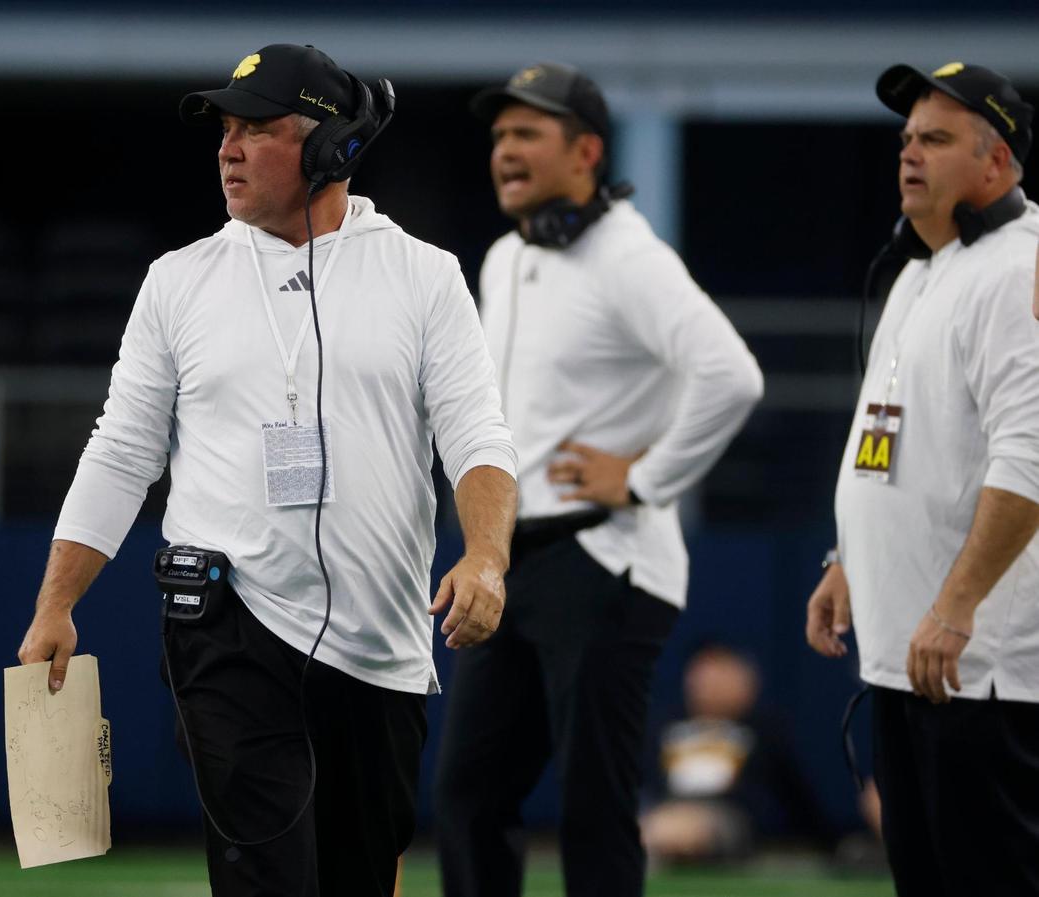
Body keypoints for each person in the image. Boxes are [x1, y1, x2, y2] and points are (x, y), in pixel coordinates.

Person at [16, 43, 518, 897]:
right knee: (267, 876)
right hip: (226, 625)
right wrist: (55, 603)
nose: (228, 149)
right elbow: (122, 448)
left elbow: (477, 436)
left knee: (359, 877)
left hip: (377, 643)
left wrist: (487, 557)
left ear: (329, 146)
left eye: (255, 129)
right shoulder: (178, 281)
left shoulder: (425, 277)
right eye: (224, 130)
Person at [434, 62, 763, 897]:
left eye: (527, 133)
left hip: (604, 560)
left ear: (586, 151)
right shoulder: (504, 257)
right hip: (512, 562)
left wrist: (647, 478)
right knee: (467, 793)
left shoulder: (628, 255)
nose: (505, 150)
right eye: (499, 135)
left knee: (593, 804)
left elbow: (731, 375)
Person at [806, 61, 1039, 895]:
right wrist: (845, 559)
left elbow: (1030, 456)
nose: (909, 153)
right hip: (907, 653)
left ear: (997, 162)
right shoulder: (918, 270)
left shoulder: (1019, 270)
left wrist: (957, 605)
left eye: (935, 139)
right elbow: (888, 437)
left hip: (981, 663)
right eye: (907, 138)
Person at [639, 642, 836, 865]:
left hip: (727, 817)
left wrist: (827, 841)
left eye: (719, 679)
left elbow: (797, 795)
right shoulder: (665, 728)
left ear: (747, 684)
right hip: (665, 811)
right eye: (703, 680)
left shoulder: (763, 731)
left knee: (683, 831)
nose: (709, 689)